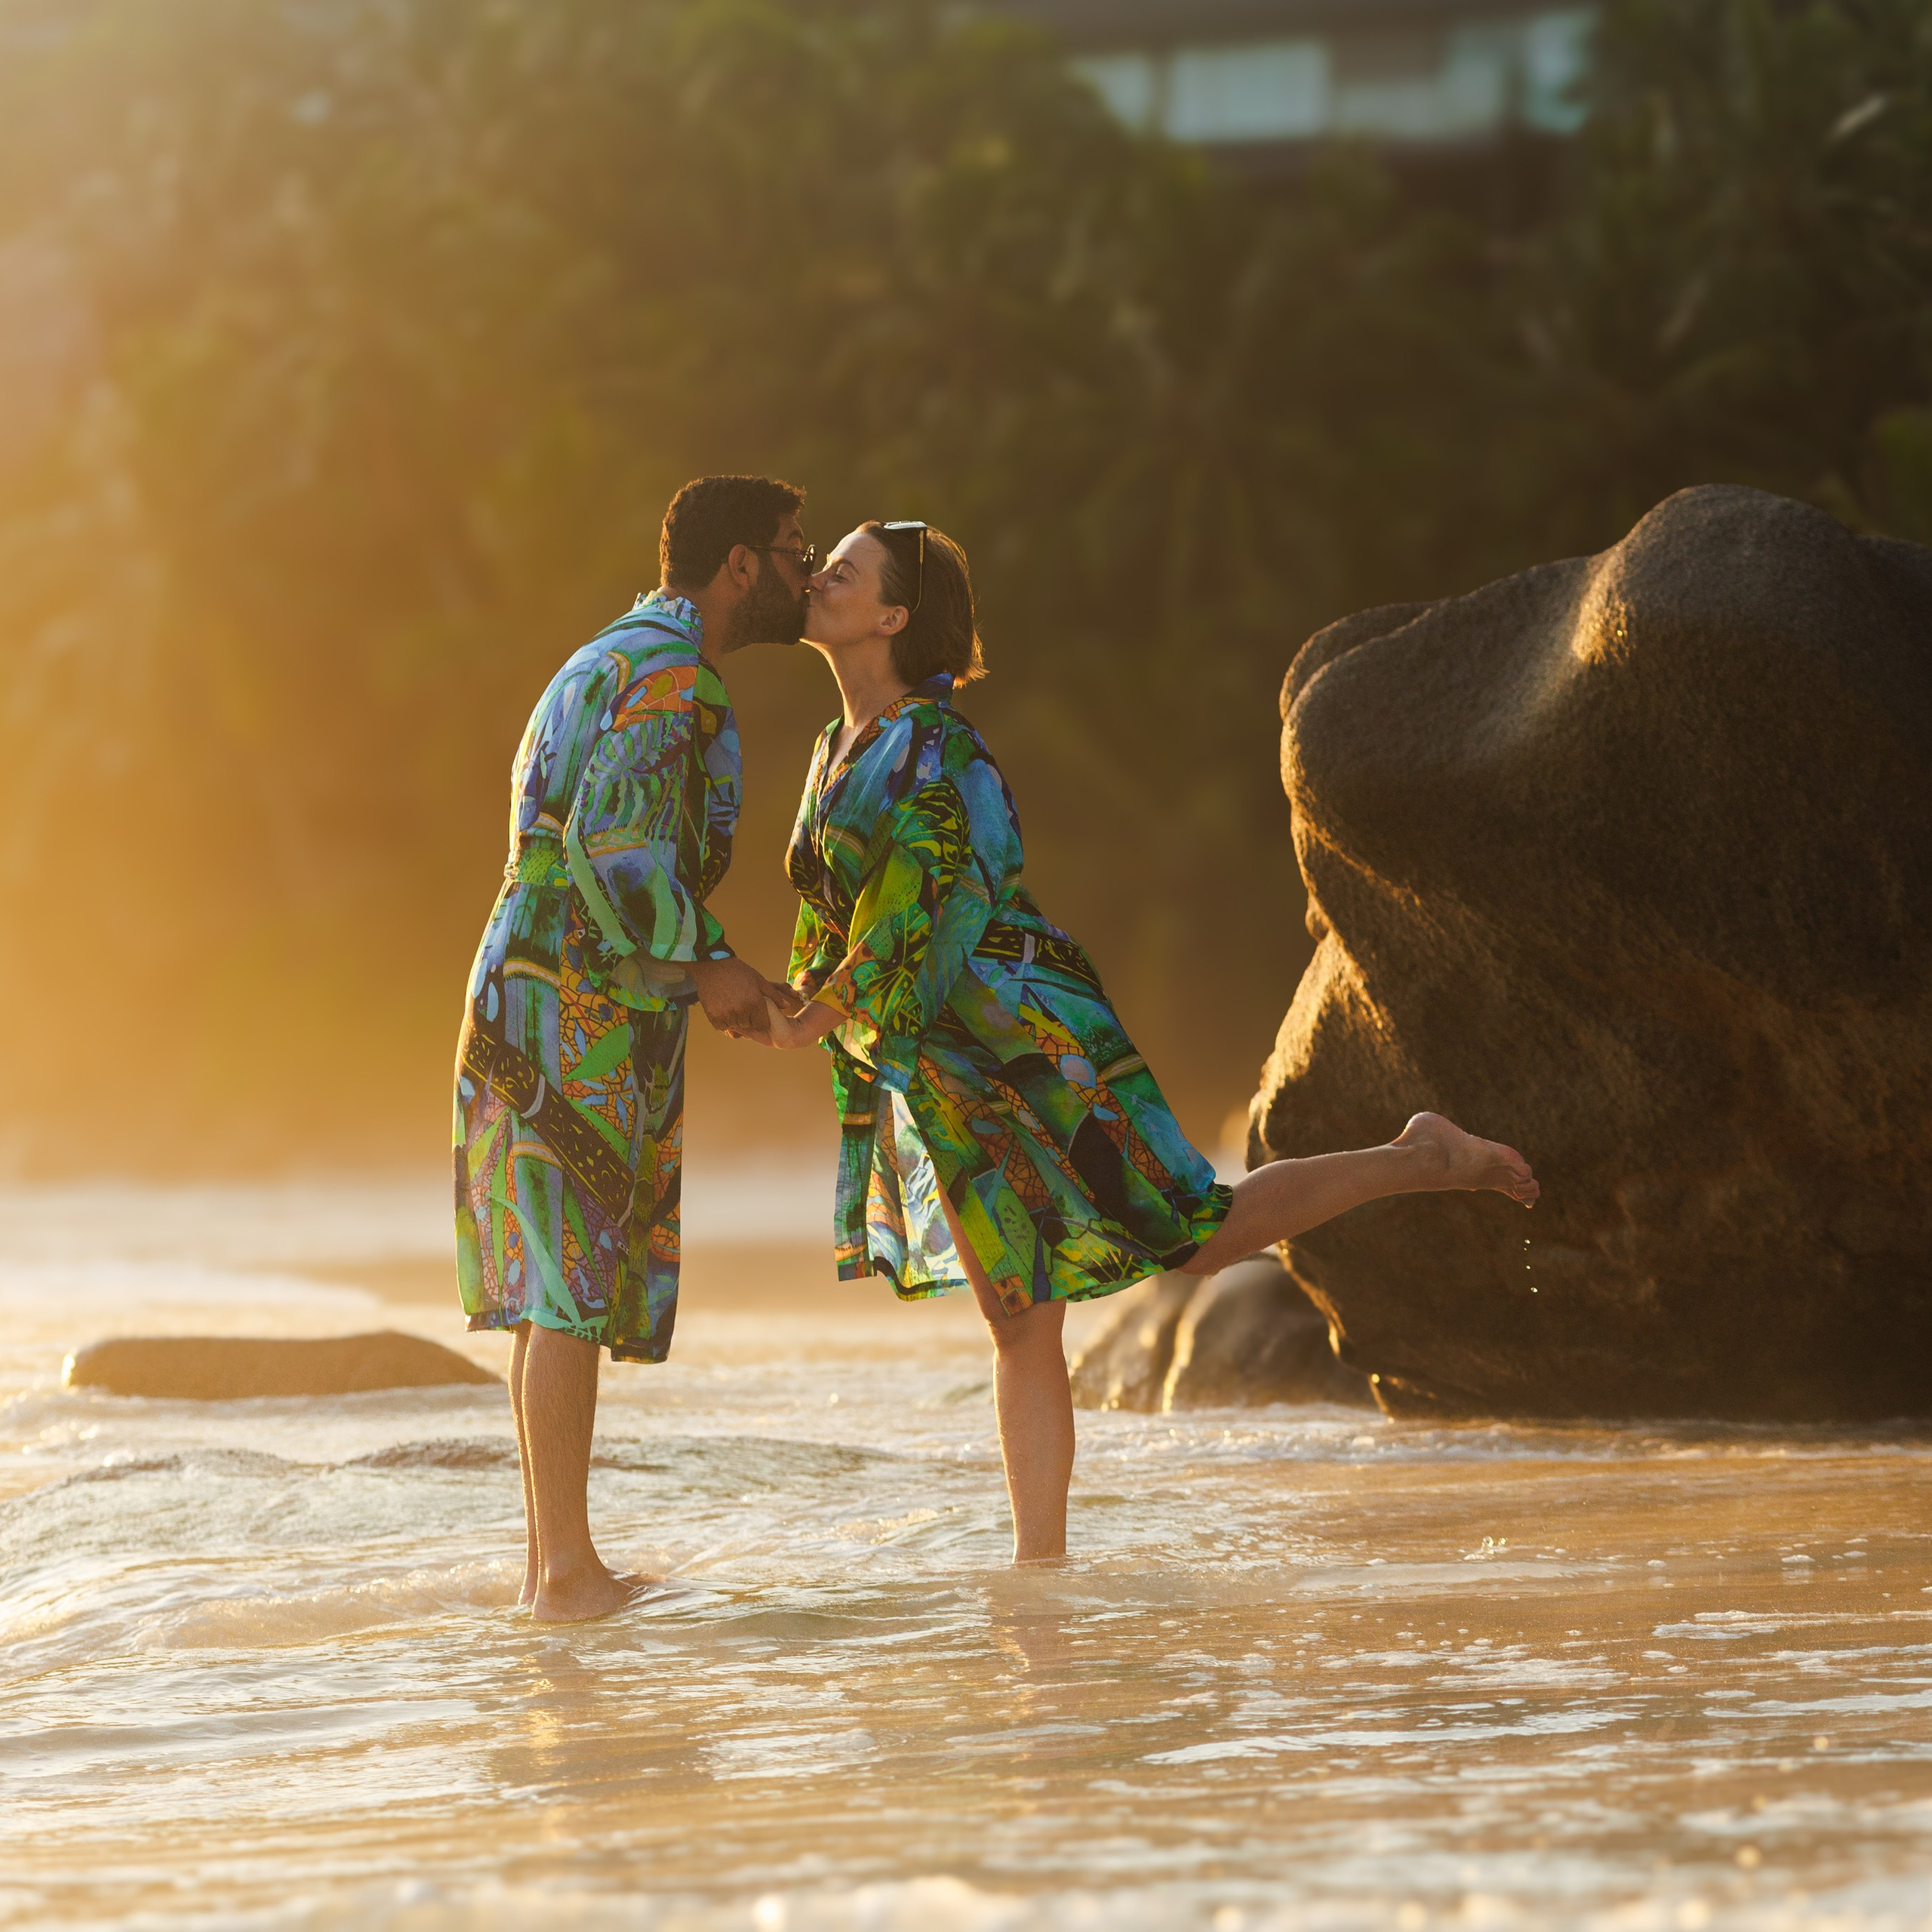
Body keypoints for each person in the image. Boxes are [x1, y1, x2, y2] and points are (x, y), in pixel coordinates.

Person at [760, 521, 1540, 1562]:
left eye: (843, 571)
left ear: (892, 617)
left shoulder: (942, 744)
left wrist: (829, 1002)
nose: (819, 578)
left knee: (1201, 1239)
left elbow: (931, 894)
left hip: (1033, 1032)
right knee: (1019, 1318)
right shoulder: (831, 751)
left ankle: (1421, 1156)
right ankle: (1042, 1571)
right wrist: (804, 1000)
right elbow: (835, 907)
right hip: (942, 1060)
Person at [454, 474, 814, 1621]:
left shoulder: (608, 654)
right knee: (565, 1286)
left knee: (552, 1280)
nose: (807, 572)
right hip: (576, 990)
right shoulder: (667, 675)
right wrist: (713, 968)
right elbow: (620, 853)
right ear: (743, 566)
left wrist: (708, 970)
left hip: (536, 975)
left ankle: (550, 1566)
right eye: (796, 551)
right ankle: (565, 1572)